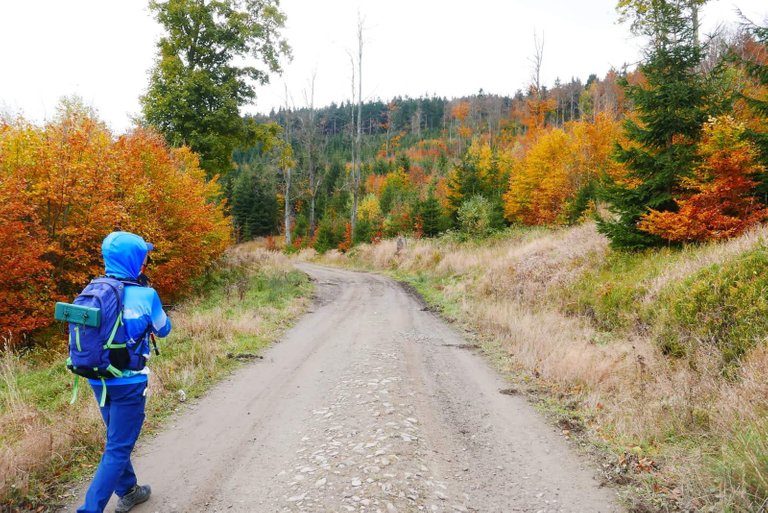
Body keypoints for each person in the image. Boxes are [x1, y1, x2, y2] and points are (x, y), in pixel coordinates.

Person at [77, 231, 172, 513]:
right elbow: (164, 329)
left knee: (116, 439)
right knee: (118, 448)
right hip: (129, 383)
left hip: (97, 377)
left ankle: (129, 490)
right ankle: (89, 509)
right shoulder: (146, 295)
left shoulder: (92, 290)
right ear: (136, 261)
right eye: (143, 257)